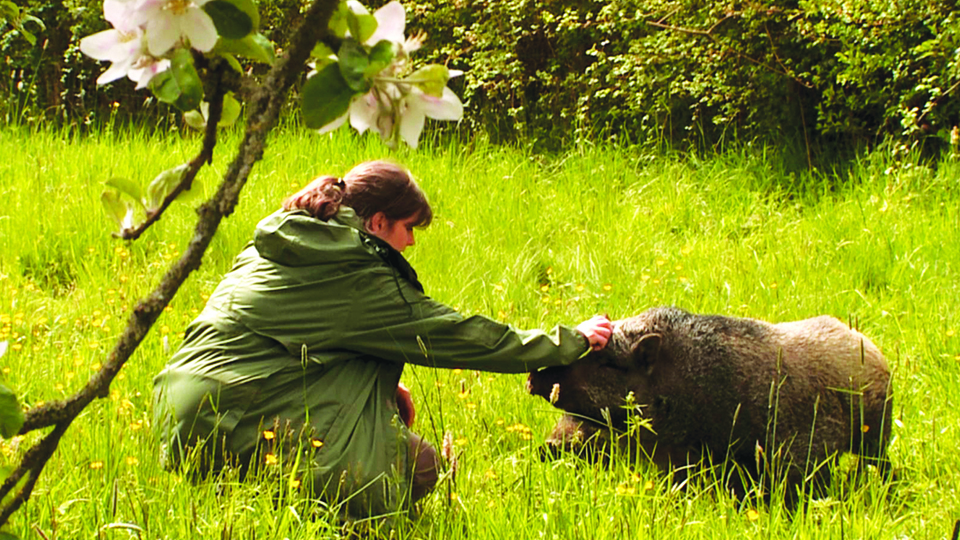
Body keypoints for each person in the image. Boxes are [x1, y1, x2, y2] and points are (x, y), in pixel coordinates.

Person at [152, 159, 613, 517]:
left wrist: (381, 386)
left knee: (386, 404)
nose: (411, 242)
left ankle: (250, 505)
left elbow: (282, 338)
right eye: (408, 228)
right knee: (422, 465)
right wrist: (569, 341)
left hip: (177, 416)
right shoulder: (356, 275)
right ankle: (317, 517)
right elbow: (459, 336)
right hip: (228, 419)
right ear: (376, 223)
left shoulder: (283, 239)